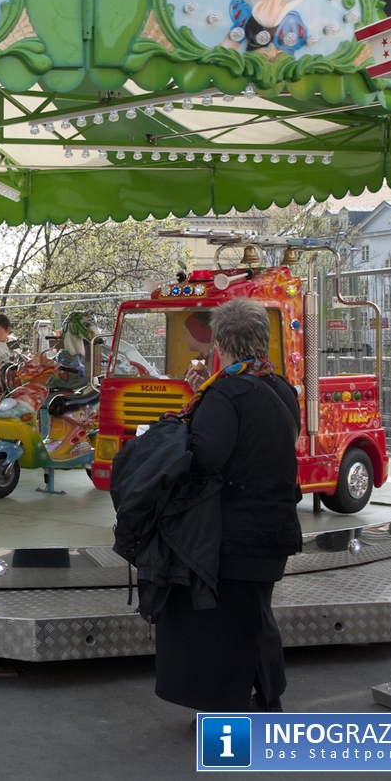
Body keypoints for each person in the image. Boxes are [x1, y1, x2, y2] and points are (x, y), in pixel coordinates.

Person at [154, 297, 301, 714]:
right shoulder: (281, 388)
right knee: (256, 615)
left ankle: (237, 711)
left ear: (221, 341)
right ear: (263, 340)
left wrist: (177, 431)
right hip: (276, 523)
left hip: (236, 530)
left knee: (231, 626)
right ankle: (266, 700)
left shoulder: (226, 392)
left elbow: (206, 457)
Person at [181, 311, 214, 389]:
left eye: (186, 333)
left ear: (197, 333)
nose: (184, 338)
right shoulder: (200, 361)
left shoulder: (202, 363)